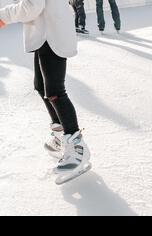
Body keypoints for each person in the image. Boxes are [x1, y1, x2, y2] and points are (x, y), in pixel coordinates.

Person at [0, 0, 91, 183]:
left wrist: (3, 16)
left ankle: (77, 148)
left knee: (55, 91)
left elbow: (32, 6)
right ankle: (61, 134)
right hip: (47, 32)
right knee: (41, 86)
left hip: (52, 34)